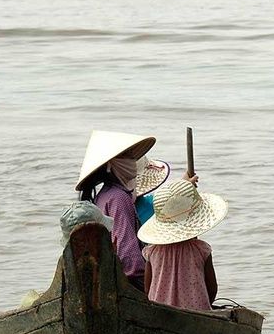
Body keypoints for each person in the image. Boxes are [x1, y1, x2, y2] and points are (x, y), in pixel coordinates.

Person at [76, 130, 156, 290]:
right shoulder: (118, 197)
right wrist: (150, 290)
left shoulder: (105, 194)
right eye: (127, 156)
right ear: (111, 164)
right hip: (129, 284)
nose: (133, 161)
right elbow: (129, 258)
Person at [137, 179, 228, 312]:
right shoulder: (201, 249)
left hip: (159, 314)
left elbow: (147, 289)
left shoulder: (152, 251)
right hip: (197, 313)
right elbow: (212, 288)